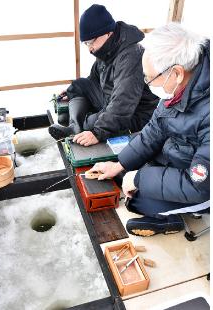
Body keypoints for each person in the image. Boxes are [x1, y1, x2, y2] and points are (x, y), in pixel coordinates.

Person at [88, 23, 210, 236]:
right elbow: (154, 131)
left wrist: (138, 178)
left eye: (149, 78)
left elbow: (199, 186)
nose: (146, 83)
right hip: (180, 160)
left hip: (204, 186)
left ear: (177, 73)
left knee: (137, 201)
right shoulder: (178, 89)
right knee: (123, 179)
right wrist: (120, 164)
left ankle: (171, 221)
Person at [49, 4, 158, 146]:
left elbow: (123, 101)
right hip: (110, 97)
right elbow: (93, 80)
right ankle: (74, 126)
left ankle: (78, 126)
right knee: (79, 85)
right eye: (86, 43)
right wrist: (73, 92)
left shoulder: (131, 55)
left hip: (134, 112)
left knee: (90, 124)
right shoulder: (107, 48)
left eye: (91, 42)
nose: (90, 49)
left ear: (107, 33)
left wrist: (97, 133)